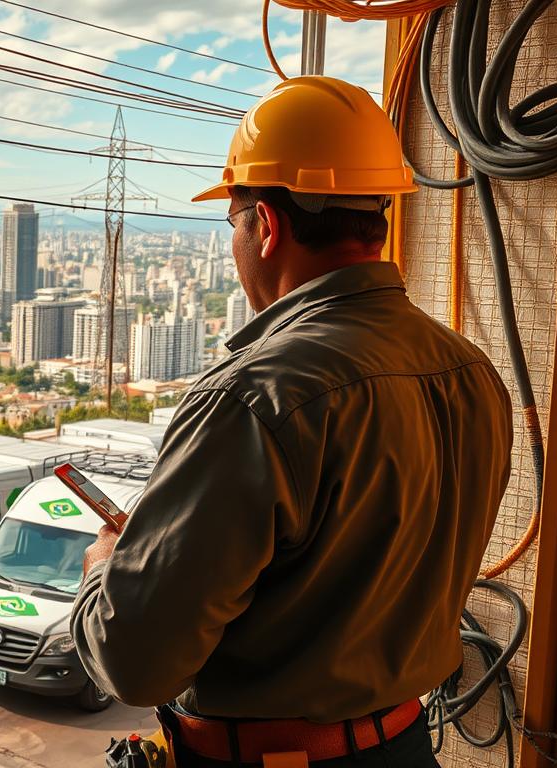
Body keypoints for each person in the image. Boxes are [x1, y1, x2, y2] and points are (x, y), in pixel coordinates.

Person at [71, 76, 512, 768]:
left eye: (234, 222)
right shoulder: (470, 373)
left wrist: (105, 568)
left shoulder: (254, 397)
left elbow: (135, 663)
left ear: (266, 226)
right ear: (376, 216)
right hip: (405, 750)